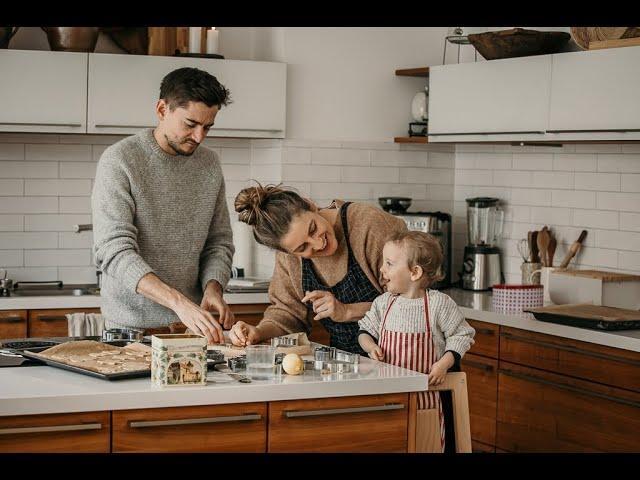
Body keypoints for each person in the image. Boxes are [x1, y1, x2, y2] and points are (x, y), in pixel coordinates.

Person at [92, 67, 235, 344]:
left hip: (190, 329)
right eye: (190, 124)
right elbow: (114, 251)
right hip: (129, 332)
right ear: (161, 109)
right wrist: (179, 303)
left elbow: (219, 242)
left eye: (207, 127)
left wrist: (213, 288)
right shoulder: (120, 160)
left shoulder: (209, 165)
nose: (199, 136)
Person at [228, 183, 408, 354]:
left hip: (402, 358)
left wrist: (346, 311)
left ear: (310, 205)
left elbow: (411, 303)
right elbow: (287, 314)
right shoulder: (289, 257)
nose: (318, 243)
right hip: (348, 362)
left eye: (313, 229)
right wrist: (258, 331)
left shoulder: (369, 225)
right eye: (302, 248)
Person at [357, 231, 475, 452]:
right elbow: (364, 331)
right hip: (389, 399)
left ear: (415, 272)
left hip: (427, 400)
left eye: (389, 263)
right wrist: (370, 346)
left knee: (426, 445)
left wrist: (443, 364)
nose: (382, 269)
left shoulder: (439, 304)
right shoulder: (383, 303)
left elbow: (462, 336)